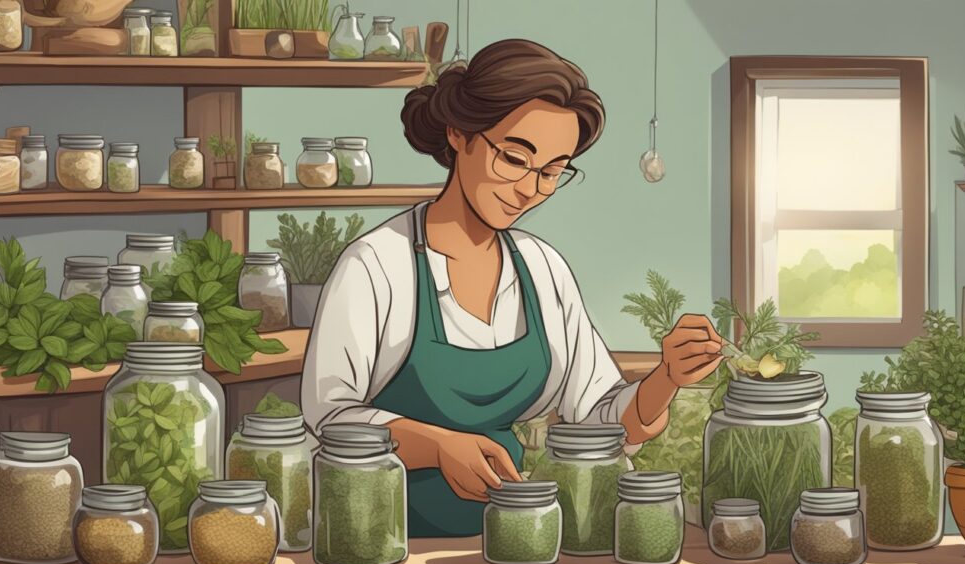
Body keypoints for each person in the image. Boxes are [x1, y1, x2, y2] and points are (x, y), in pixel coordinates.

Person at [302, 39, 723, 537]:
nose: (531, 189)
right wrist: (436, 445)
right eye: (515, 159)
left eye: (552, 171)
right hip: (381, 542)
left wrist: (667, 378)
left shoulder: (541, 269)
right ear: (460, 134)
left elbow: (601, 424)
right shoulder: (378, 265)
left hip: (519, 538)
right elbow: (330, 421)